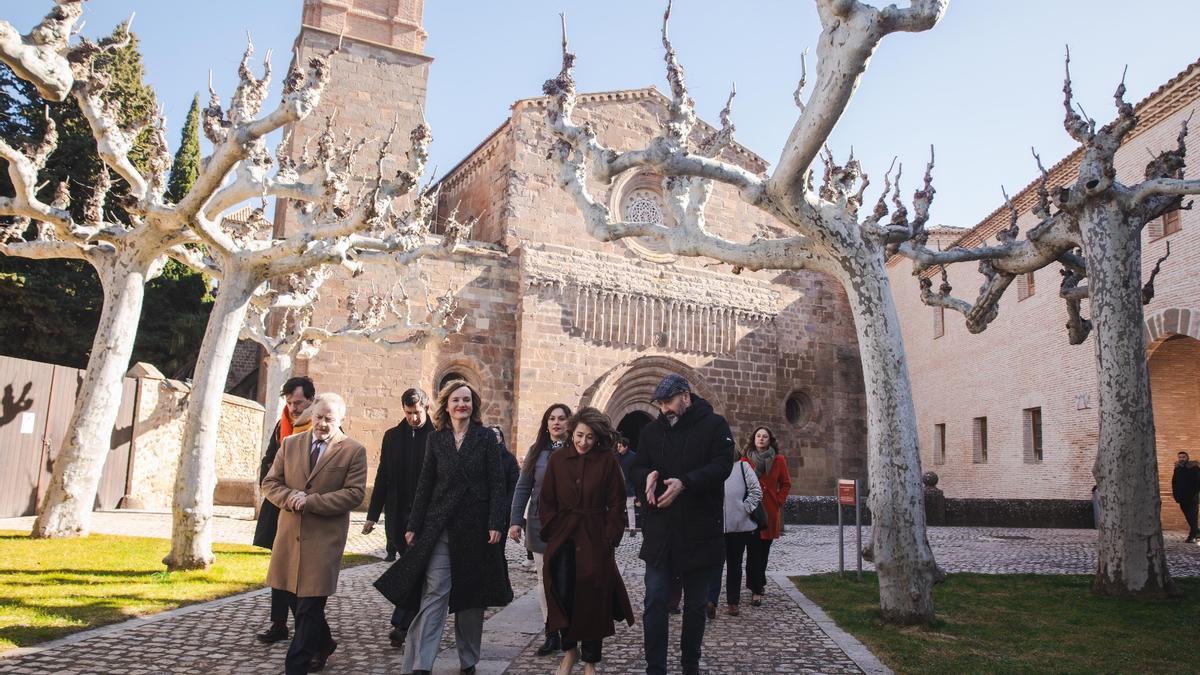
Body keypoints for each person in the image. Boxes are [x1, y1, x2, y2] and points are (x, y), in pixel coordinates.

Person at [373, 380, 512, 675]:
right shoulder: (436, 440)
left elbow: (498, 484)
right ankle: (422, 664)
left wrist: (496, 522)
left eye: (467, 400)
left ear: (473, 406)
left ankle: (469, 660)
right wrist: (414, 524)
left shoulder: (486, 438)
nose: (462, 405)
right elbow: (425, 484)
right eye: (456, 400)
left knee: (471, 600)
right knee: (435, 592)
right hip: (441, 527)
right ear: (446, 406)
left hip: (476, 530)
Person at [629, 374, 734, 675]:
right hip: (661, 530)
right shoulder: (651, 432)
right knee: (655, 601)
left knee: (696, 606)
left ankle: (690, 665)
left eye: (668, 402)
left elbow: (722, 465)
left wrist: (686, 483)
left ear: (685, 397)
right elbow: (637, 466)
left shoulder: (715, 426)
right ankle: (655, 668)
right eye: (660, 404)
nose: (664, 409)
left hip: (700, 530)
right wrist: (645, 476)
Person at [261, 392, 367, 675]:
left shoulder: (353, 450)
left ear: (341, 420)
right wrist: (290, 497)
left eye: (329, 419)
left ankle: (295, 667)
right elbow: (270, 483)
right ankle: (324, 643)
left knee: (309, 606)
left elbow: (354, 494)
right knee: (297, 603)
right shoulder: (290, 444)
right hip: (289, 539)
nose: (322, 424)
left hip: (324, 541)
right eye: (318, 417)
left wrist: (312, 502)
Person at [539, 407, 634, 675]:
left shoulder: (607, 462)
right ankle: (569, 653)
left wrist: (609, 537)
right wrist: (553, 529)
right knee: (563, 595)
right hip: (563, 539)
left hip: (594, 540)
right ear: (572, 433)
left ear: (598, 438)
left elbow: (617, 503)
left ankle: (590, 661)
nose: (583, 442)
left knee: (594, 600)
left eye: (590, 437)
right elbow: (546, 500)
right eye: (580, 435)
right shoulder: (558, 460)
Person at [363, 388, 434, 649]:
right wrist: (372, 515)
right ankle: (406, 621)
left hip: (426, 519)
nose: (413, 418)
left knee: (414, 569)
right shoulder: (392, 437)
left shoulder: (438, 437)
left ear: (426, 407)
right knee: (412, 570)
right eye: (408, 413)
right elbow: (383, 476)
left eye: (416, 413)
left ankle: (401, 624)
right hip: (397, 517)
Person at [253, 376, 316, 645]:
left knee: (301, 577)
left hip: (305, 510)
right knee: (279, 570)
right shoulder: (282, 424)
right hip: (279, 506)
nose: (293, 408)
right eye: (289, 403)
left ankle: (312, 632)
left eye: (298, 402)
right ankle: (279, 623)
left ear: (311, 400)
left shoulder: (322, 426)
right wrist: (271, 486)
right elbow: (269, 459)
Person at [509, 403, 572, 657]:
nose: (556, 422)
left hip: (568, 526)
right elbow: (523, 487)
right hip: (539, 524)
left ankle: (568, 628)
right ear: (546, 424)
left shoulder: (576, 449)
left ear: (569, 422)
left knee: (566, 579)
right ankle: (551, 631)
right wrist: (515, 520)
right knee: (544, 579)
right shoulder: (536, 451)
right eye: (551, 419)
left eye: (561, 418)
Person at [707, 445, 762, 617]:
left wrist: (744, 509)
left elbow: (756, 491)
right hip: (715, 525)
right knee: (714, 563)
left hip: (738, 525)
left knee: (734, 564)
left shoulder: (742, 467)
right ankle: (711, 601)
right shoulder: (711, 467)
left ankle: (732, 602)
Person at [745, 426, 791, 606]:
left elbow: (786, 483)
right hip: (750, 510)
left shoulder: (779, 460)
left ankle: (758, 583)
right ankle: (756, 588)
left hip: (769, 510)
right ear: (754, 438)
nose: (761, 439)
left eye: (765, 436)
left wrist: (778, 501)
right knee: (752, 551)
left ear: (769, 440)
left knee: (763, 551)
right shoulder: (745, 459)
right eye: (758, 436)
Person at [491, 425, 520, 525]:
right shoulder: (479, 457)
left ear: (501, 438)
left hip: (502, 509)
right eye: (490, 434)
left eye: (495, 434)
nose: (493, 437)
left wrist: (506, 508)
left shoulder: (510, 459)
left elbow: (514, 485)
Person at [1172, 451, 1200, 543]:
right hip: (1181, 498)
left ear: (1187, 457)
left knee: (1193, 516)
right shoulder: (1177, 469)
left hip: (1192, 497)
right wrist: (1176, 495)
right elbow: (1174, 482)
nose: (1181, 459)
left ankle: (1192, 537)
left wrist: (1194, 494)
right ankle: (1197, 532)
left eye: (1183, 457)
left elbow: (1198, 482)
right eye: (1180, 457)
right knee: (1188, 517)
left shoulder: (1194, 468)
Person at [615, 435, 639, 534]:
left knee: (630, 508)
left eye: (620, 446)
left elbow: (636, 473)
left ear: (626, 447)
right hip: (617, 487)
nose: (618, 448)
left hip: (629, 487)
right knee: (617, 508)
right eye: (617, 446)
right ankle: (617, 527)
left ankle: (632, 528)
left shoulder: (633, 457)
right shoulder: (615, 457)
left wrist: (634, 488)